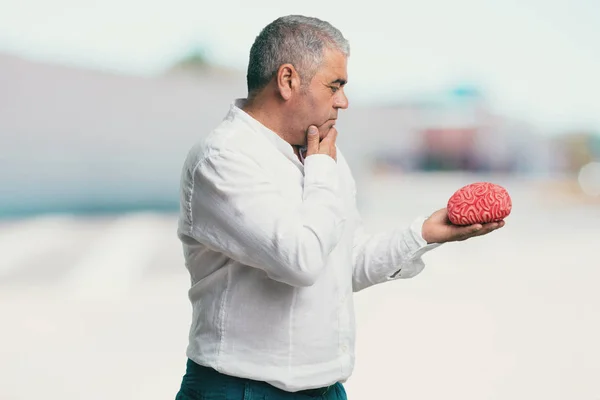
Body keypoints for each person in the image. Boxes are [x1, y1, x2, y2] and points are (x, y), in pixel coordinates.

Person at [174, 15, 504, 400]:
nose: (343, 101)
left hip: (327, 390)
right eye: (335, 85)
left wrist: (424, 234)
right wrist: (320, 170)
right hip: (240, 390)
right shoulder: (223, 158)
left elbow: (342, 265)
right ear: (288, 80)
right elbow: (301, 260)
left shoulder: (322, 156)